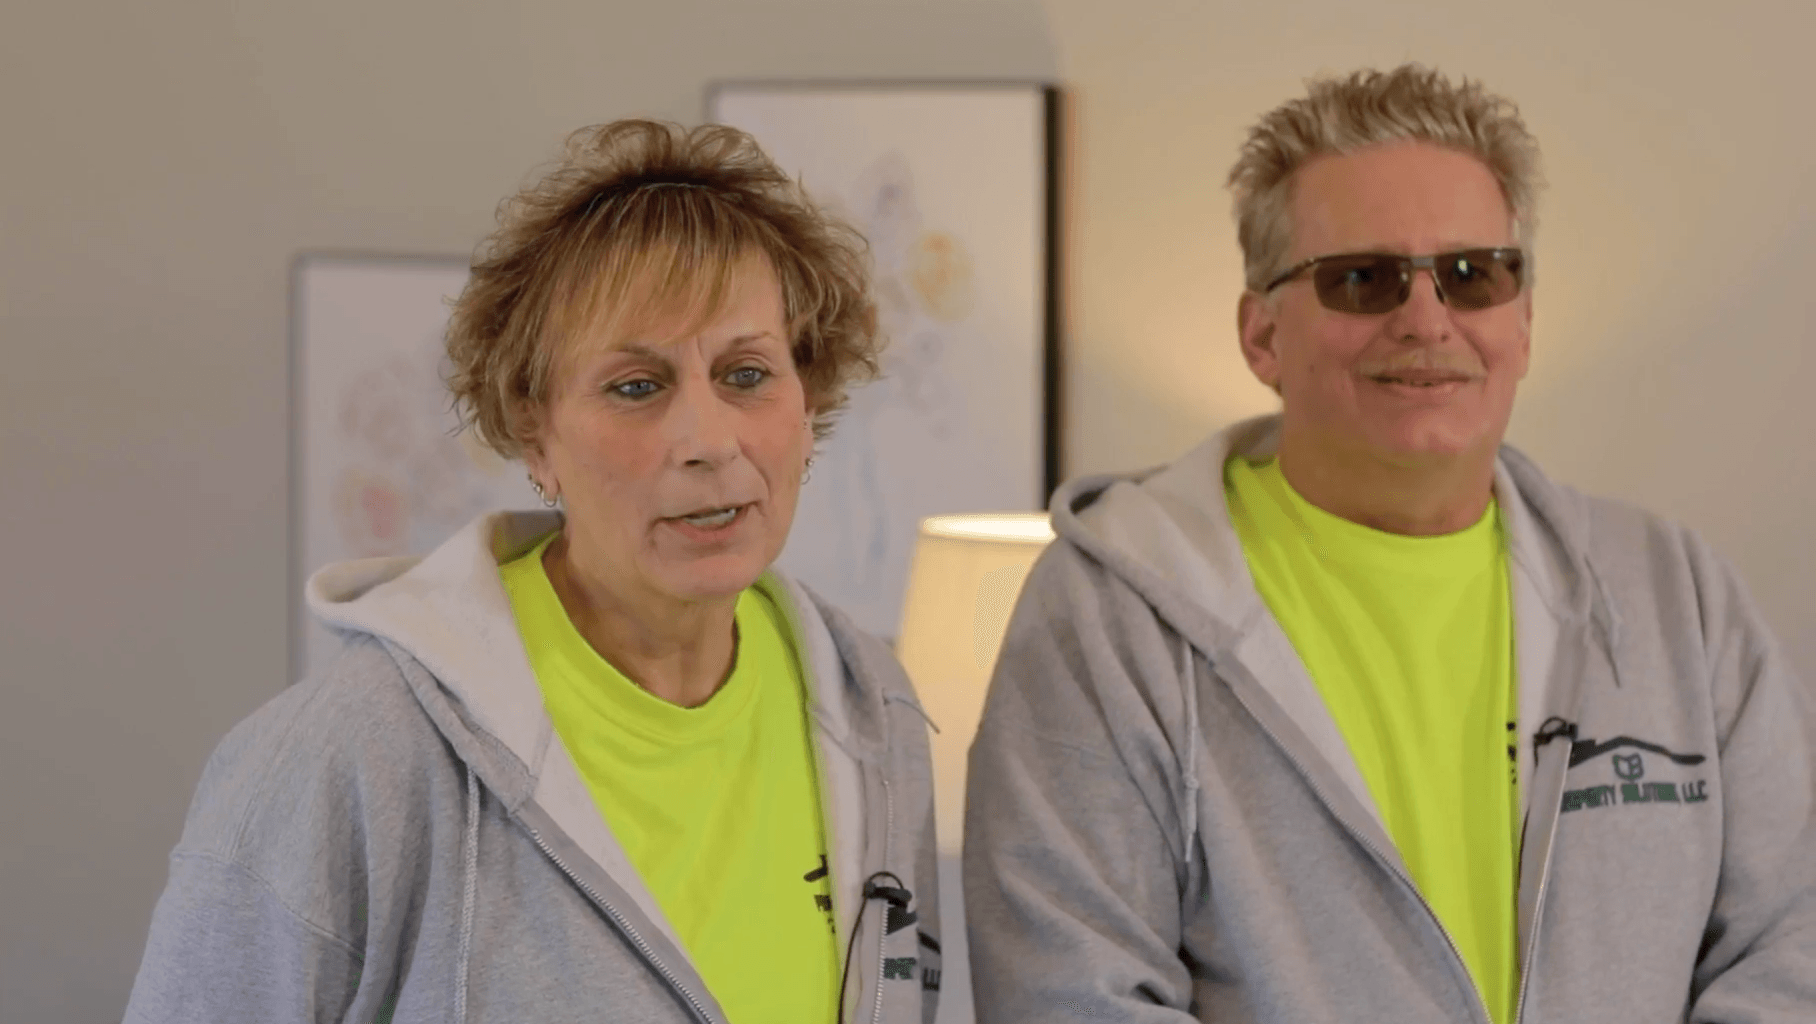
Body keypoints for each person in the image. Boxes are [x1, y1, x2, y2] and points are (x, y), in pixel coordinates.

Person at [963, 64, 1815, 1024]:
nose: (1425, 319)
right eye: (1361, 279)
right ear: (1261, 336)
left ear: (1522, 321)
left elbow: (1790, 939)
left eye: (1472, 274)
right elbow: (1070, 996)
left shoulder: (1676, 599)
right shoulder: (1107, 621)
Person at [124, 120, 941, 1024]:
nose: (709, 442)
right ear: (532, 427)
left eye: (746, 374)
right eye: (637, 386)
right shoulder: (343, 759)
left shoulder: (875, 711)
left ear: (809, 397)